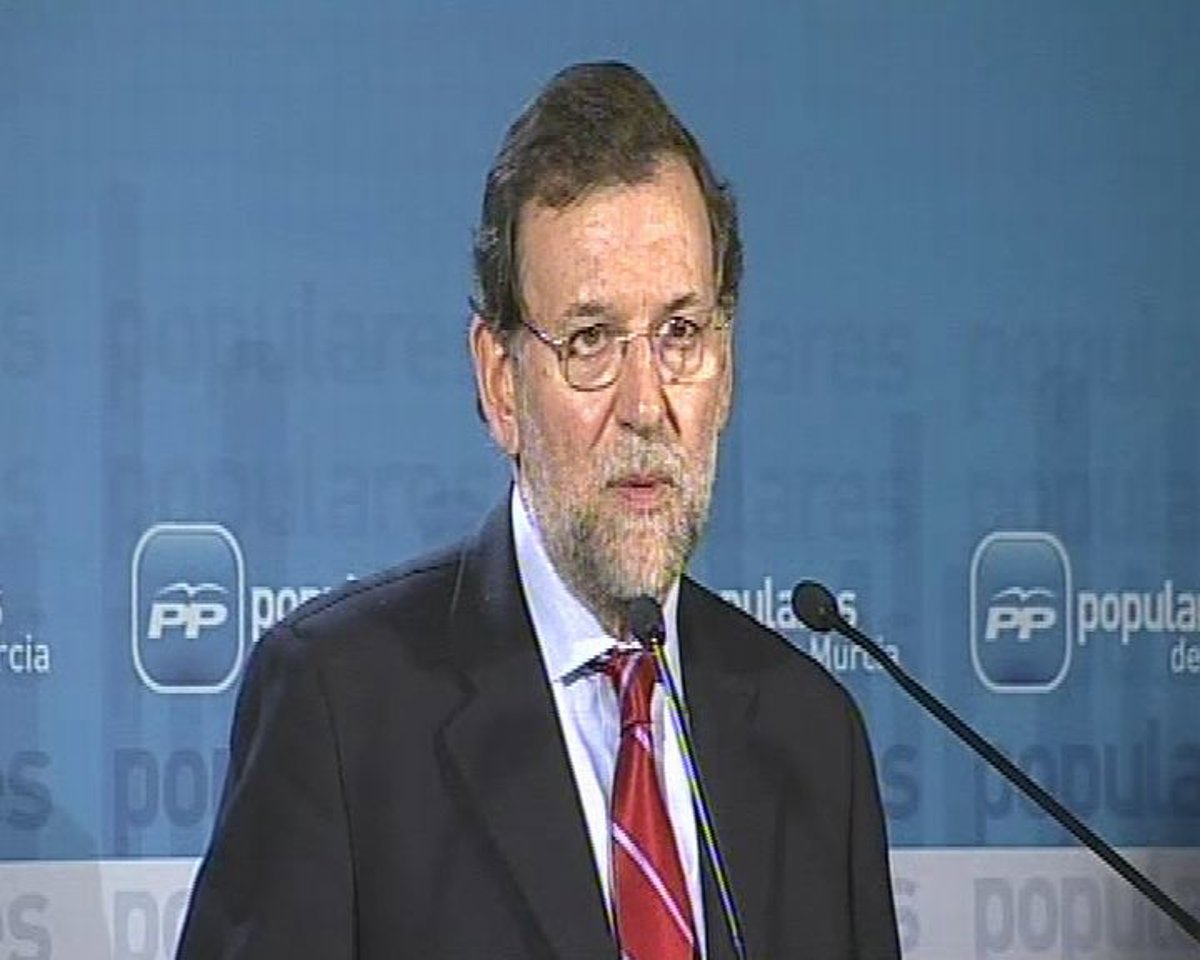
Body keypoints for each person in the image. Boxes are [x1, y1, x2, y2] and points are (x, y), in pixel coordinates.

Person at [176, 61, 900, 960]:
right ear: (501, 383)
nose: (646, 405)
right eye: (591, 341)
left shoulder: (811, 736)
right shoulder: (340, 708)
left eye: (680, 334)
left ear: (726, 366)